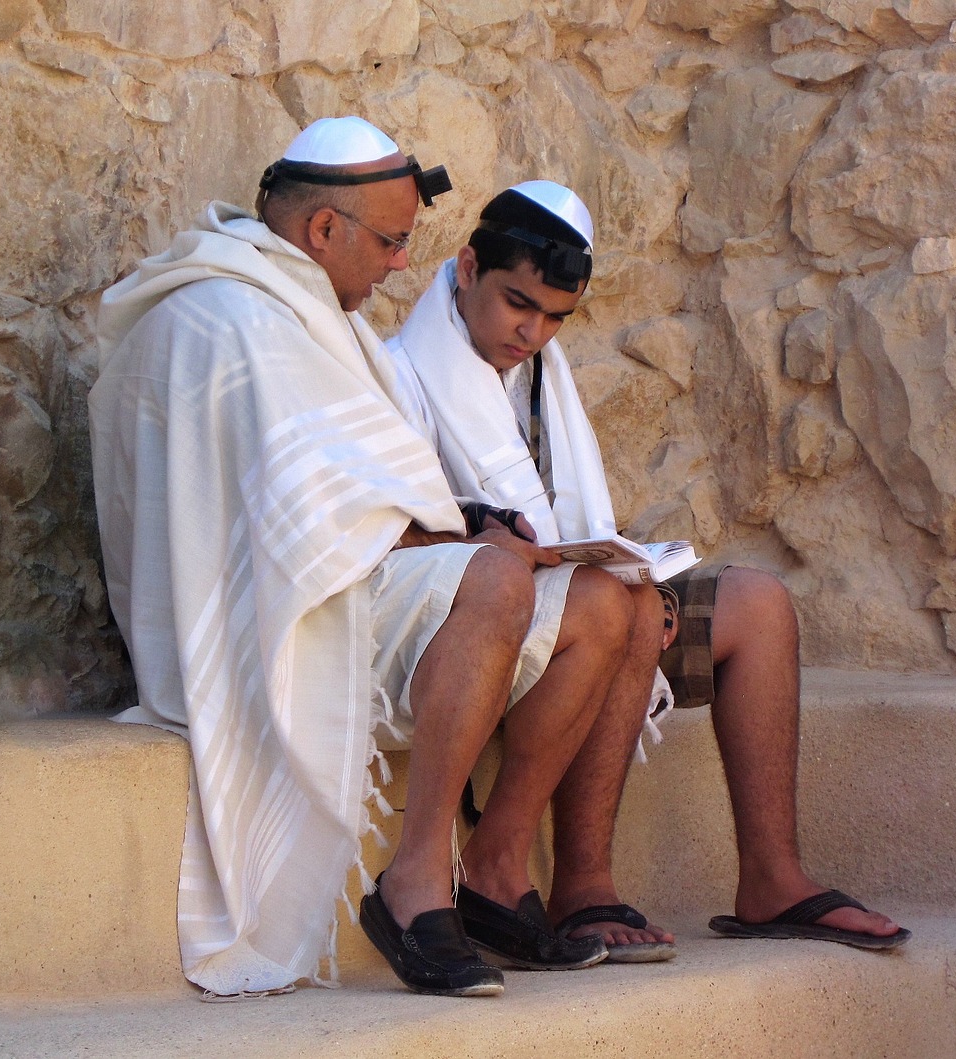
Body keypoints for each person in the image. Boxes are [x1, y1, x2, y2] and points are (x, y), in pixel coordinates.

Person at [87, 120, 648, 1001]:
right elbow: (308, 530)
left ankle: (496, 869)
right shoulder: (234, 316)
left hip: (329, 579)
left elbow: (337, 498)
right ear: (323, 231)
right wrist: (466, 538)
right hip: (280, 617)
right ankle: (414, 881)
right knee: (499, 576)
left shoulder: (288, 304)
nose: (397, 267)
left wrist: (460, 529)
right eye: (390, 242)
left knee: (608, 605)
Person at [390, 180, 910, 953]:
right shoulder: (401, 374)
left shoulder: (539, 376)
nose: (532, 331)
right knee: (621, 607)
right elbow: (402, 539)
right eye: (517, 303)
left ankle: (773, 878)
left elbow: (573, 523)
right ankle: (582, 887)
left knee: (758, 606)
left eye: (556, 317)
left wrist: (634, 571)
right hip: (486, 625)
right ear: (466, 267)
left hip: (576, 597)